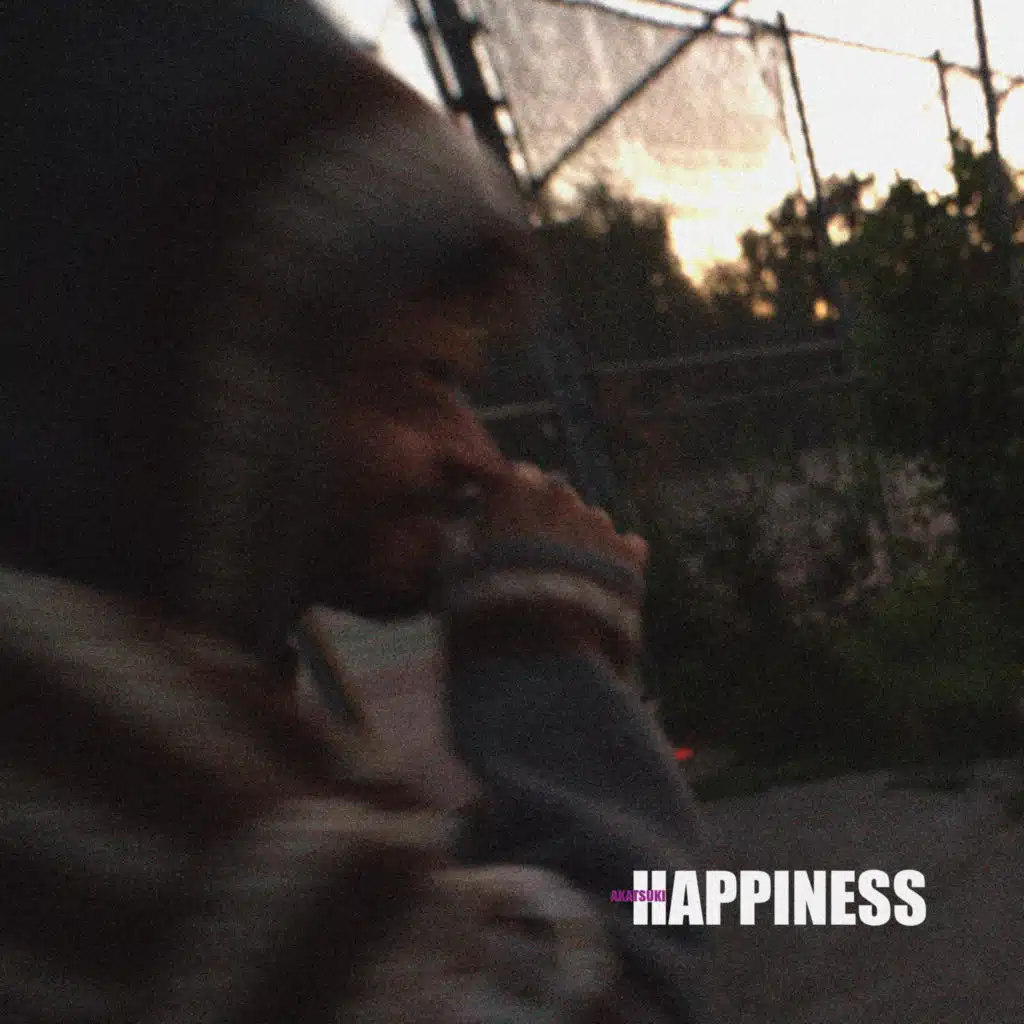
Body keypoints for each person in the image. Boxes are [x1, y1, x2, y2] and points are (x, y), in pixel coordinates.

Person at [1, 1, 707, 1020]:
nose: (474, 456)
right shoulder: (82, 763)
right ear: (205, 380)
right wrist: (552, 658)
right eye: (421, 379)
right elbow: (605, 999)